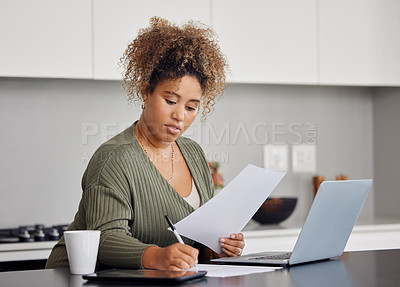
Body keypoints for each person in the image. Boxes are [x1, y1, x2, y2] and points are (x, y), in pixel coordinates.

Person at [46, 17, 245, 271]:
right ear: (146, 92)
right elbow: (105, 238)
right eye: (170, 101)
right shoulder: (114, 158)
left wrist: (218, 247)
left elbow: (196, 238)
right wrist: (158, 257)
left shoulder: (194, 154)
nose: (180, 116)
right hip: (79, 278)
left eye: (191, 107)